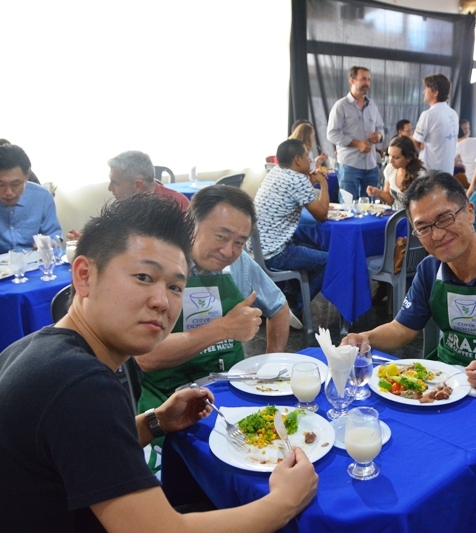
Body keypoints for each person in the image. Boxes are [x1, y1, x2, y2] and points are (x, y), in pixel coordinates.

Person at [0, 194, 318, 532]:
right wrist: (285, 501)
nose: (162, 301)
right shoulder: (79, 384)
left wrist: (156, 421)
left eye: (175, 286)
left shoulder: (34, 350)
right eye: (143, 277)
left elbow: (78, 448)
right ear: (84, 276)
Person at [343, 171, 476, 425]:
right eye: (423, 228)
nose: (436, 235)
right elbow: (402, 328)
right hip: (438, 385)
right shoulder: (429, 269)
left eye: (444, 218)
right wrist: (366, 338)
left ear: (470, 212)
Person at [136, 185, 292, 471]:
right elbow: (147, 357)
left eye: (239, 242)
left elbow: (280, 308)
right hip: (169, 400)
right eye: (221, 236)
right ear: (191, 224)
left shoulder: (240, 265)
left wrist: (269, 363)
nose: (228, 251)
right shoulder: (160, 267)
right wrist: (223, 328)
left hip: (232, 391)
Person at [251, 139, 329, 312]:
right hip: (275, 253)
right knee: (330, 261)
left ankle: (288, 298)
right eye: (306, 156)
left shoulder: (276, 172)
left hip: (258, 250)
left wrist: (311, 183)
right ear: (297, 159)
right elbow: (322, 215)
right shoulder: (297, 180)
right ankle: (297, 308)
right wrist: (324, 183)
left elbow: (297, 196)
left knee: (311, 247)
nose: (310, 160)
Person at [326, 66, 384, 199]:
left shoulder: (372, 106)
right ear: (352, 80)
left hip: (371, 166)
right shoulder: (341, 106)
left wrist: (379, 135)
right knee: (348, 206)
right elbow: (332, 133)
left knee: (371, 207)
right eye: (363, 79)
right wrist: (356, 144)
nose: (367, 83)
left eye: (369, 79)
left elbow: (381, 127)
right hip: (349, 165)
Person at [107, 150, 190, 211]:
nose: (110, 188)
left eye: (115, 183)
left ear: (137, 185)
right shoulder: (124, 203)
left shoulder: (177, 205)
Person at [411, 74, 459, 175]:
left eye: (426, 88)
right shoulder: (453, 113)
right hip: (448, 173)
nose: (424, 91)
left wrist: (418, 142)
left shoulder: (428, 115)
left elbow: (415, 144)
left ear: (435, 93)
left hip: (430, 174)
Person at [367, 136, 426, 210]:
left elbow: (423, 207)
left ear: (408, 158)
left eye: (396, 157)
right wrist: (378, 192)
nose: (390, 161)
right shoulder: (390, 168)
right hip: (394, 214)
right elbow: (390, 199)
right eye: (389, 155)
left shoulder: (420, 176)